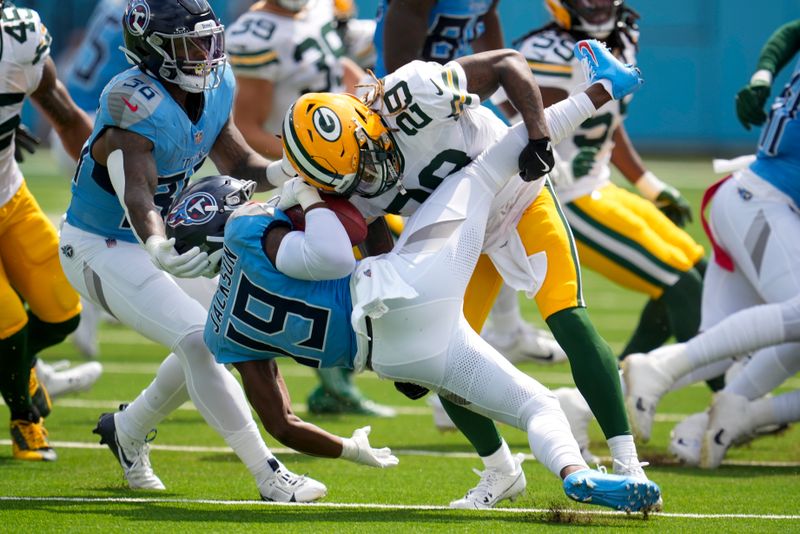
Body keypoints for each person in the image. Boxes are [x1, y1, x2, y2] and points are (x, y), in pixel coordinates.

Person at [192, 39, 660, 513]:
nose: (369, 173)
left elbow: (506, 63)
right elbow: (354, 253)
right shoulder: (288, 213)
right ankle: (605, 87)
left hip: (492, 223)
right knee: (481, 189)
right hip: (438, 248)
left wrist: (537, 135)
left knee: (551, 347)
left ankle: (599, 467)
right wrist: (312, 202)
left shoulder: (412, 92)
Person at [58, 0, 394, 502]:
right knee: (197, 340)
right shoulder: (134, 104)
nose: (205, 55)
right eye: (190, 46)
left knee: (222, 326)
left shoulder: (215, 84)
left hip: (158, 236)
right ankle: (268, 473)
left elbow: (239, 160)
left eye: (208, 41)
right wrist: (156, 243)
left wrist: (292, 169)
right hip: (98, 244)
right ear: (151, 51)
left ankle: (128, 429)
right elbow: (138, 195)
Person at [489, 0, 707, 460]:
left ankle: (616, 391)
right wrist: (558, 163)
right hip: (561, 197)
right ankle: (734, 400)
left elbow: (608, 122)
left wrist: (648, 183)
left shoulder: (624, 34)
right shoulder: (542, 48)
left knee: (699, 271)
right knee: (684, 289)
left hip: (598, 187)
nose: (596, 3)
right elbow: (512, 126)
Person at [622, 19, 800, 462]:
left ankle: (577, 406)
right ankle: (665, 370)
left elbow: (792, 31)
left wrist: (762, 76)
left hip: (757, 201)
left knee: (720, 349)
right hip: (762, 202)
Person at [226, 0, 395, 418]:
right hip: (301, 173)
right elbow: (246, 126)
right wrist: (310, 161)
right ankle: (327, 378)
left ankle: (339, 376)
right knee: (324, 267)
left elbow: (344, 74)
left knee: (373, 251)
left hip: (341, 161)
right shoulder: (253, 34)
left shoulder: (319, 10)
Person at [375, 0, 566, 366]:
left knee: (498, 212)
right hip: (411, 115)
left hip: (451, 98)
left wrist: (512, 106)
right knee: (454, 222)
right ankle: (428, 344)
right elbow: (404, 78)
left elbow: (486, 20)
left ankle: (498, 331)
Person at [0, 1, 93, 460]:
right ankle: (24, 417)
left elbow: (66, 114)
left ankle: (13, 367)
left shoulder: (18, 36)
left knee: (62, 309)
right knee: (8, 324)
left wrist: (109, 174)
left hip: (7, 195)